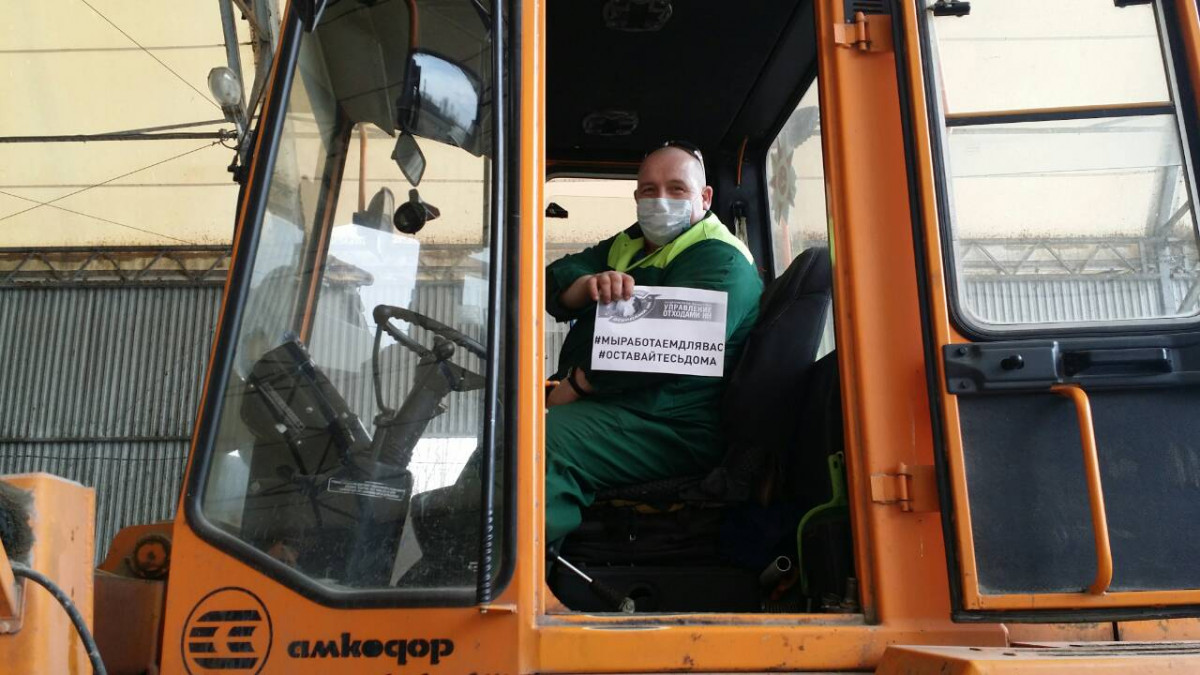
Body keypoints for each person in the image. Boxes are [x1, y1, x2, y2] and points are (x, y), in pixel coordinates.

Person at [543, 142, 764, 544]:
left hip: (673, 424)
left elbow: (662, 347)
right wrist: (586, 285)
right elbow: (559, 273)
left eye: (677, 189)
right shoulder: (631, 244)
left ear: (705, 197)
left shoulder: (721, 259)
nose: (660, 200)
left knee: (542, 443)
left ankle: (516, 570)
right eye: (649, 190)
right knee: (506, 430)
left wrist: (576, 385)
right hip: (626, 406)